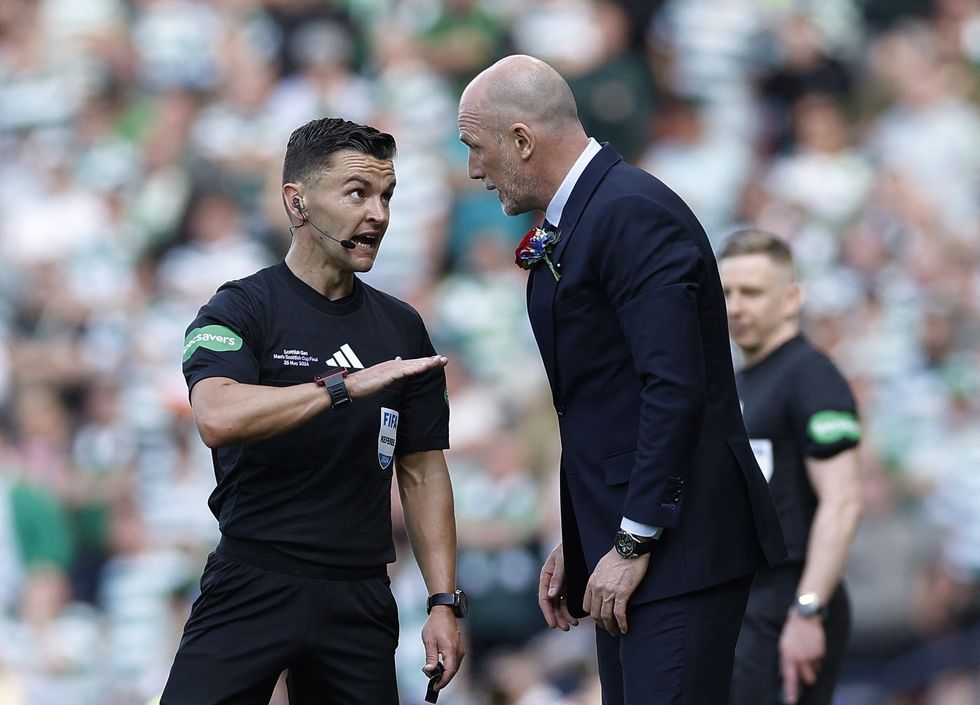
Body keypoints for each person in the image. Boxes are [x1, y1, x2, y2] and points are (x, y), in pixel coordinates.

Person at [457, 55, 786, 705]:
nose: (472, 168)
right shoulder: (595, 210)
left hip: (678, 547)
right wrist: (583, 535)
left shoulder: (631, 211)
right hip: (640, 545)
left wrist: (633, 538)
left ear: (521, 140)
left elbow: (673, 385)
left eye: (477, 146)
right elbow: (606, 398)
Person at [162, 118, 466, 705]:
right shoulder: (240, 308)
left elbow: (424, 470)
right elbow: (217, 417)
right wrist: (343, 386)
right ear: (296, 202)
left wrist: (443, 601)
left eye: (386, 197)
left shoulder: (403, 327)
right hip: (252, 581)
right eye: (358, 193)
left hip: (359, 596)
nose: (377, 213)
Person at [719, 229, 863, 705]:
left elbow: (843, 501)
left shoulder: (811, 375)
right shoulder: (739, 382)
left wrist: (807, 611)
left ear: (791, 298)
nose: (736, 306)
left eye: (752, 293)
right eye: (727, 293)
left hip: (789, 595)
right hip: (747, 597)